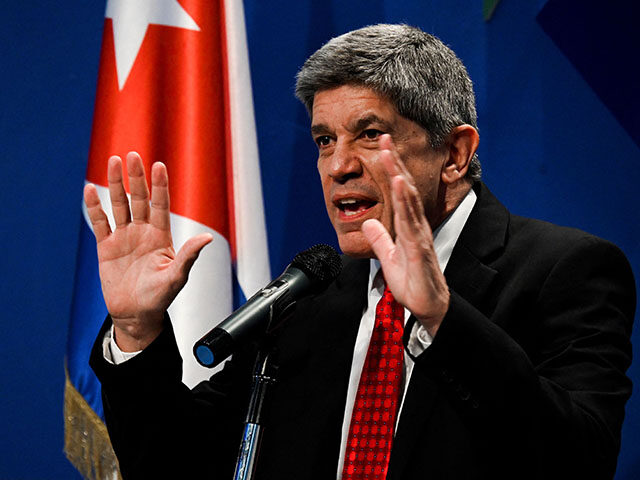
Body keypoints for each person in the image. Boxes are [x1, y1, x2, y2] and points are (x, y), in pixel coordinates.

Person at [86, 24, 635, 479]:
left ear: (454, 153)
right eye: (325, 139)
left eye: (369, 133)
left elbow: (579, 459)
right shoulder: (310, 295)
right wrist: (138, 330)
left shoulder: (567, 270)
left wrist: (442, 318)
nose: (337, 165)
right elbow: (177, 466)